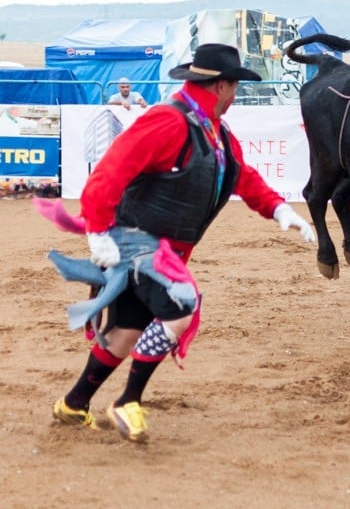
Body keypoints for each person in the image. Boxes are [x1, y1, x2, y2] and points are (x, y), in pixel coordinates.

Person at [49, 43, 317, 442]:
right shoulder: (169, 122)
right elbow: (110, 172)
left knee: (126, 329)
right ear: (223, 86)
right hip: (139, 246)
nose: (236, 95)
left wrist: (279, 210)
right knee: (181, 308)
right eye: (236, 86)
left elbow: (242, 176)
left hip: (158, 248)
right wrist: (99, 230)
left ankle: (73, 404)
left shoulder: (213, 131)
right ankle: (128, 400)